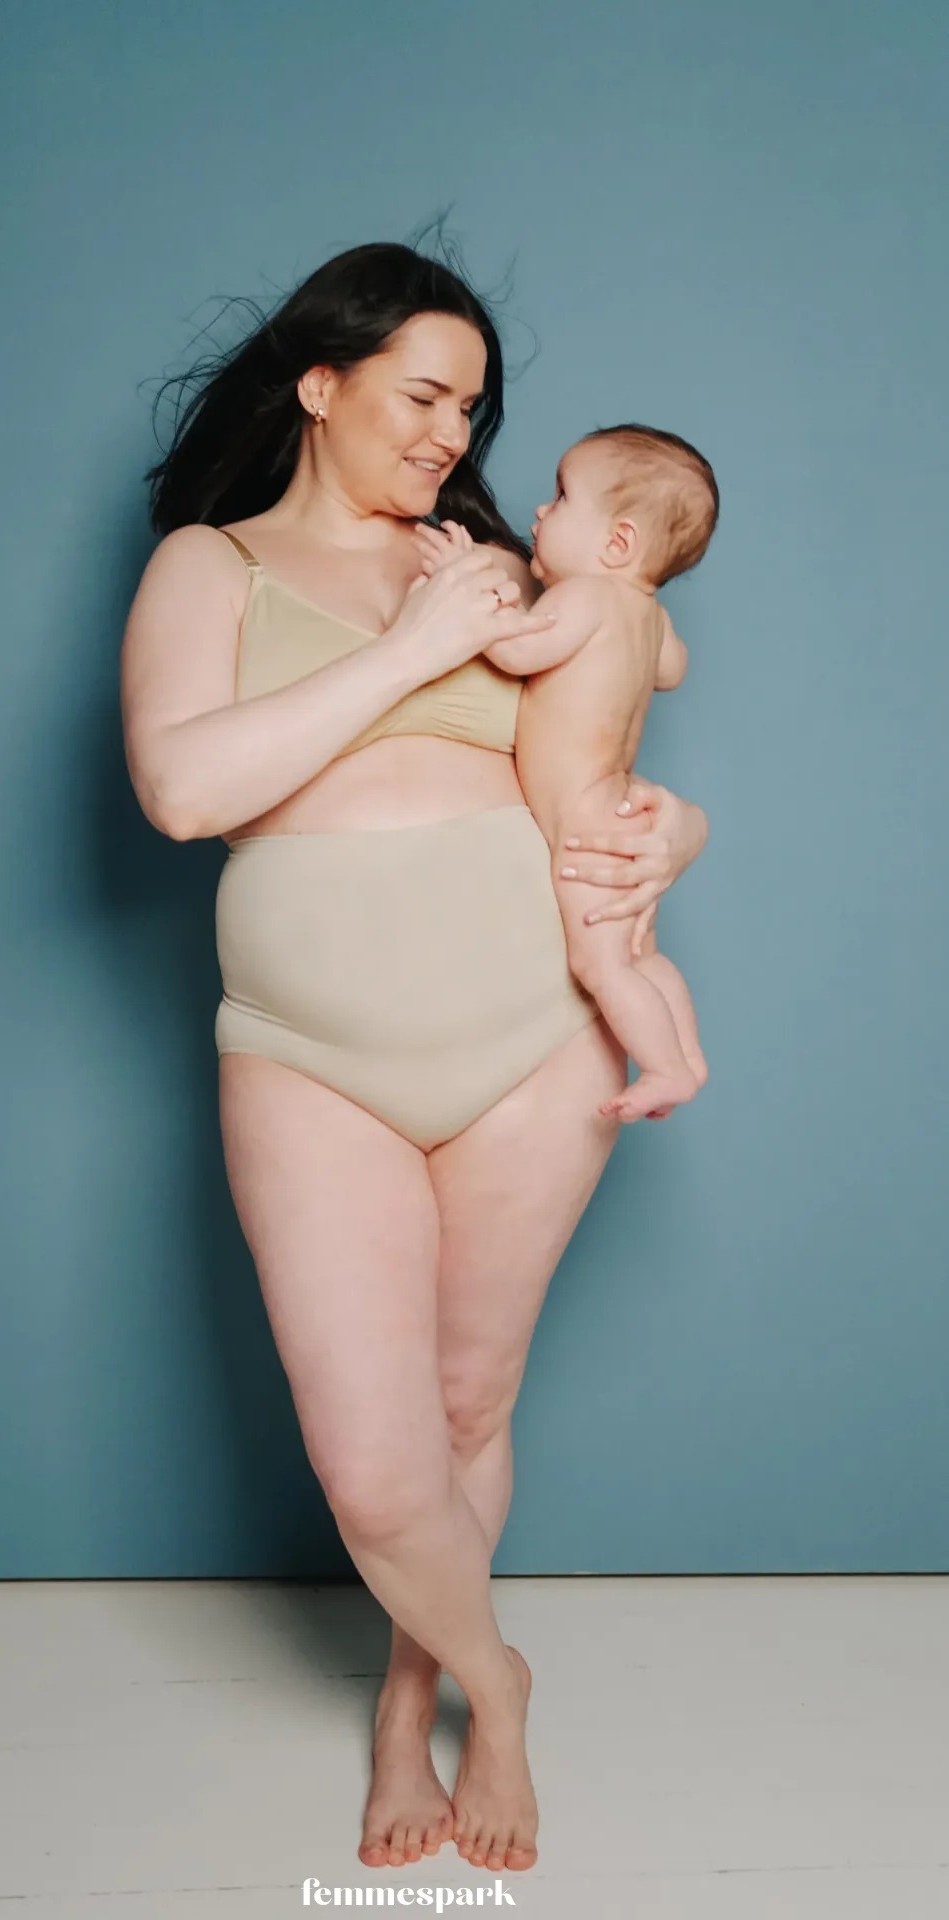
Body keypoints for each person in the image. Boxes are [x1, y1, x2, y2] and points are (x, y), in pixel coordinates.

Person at [120, 241, 709, 1876]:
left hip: (537, 1037)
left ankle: (415, 1706)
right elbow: (183, 793)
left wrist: (684, 829)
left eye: (475, 407)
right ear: (322, 382)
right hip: (314, 1055)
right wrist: (409, 643)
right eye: (423, 393)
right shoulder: (209, 569)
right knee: (380, 1475)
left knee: (467, 1398)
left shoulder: (509, 569)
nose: (455, 433)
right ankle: (493, 1671)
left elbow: (609, 739)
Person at [411, 422, 716, 1124]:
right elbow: (673, 669)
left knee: (601, 966)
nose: (542, 512)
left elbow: (517, 653)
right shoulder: (649, 617)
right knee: (639, 950)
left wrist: (464, 581)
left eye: (562, 496)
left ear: (617, 546)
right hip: (619, 811)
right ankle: (689, 1056)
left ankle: (668, 1067)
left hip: (582, 824)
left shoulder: (584, 598)